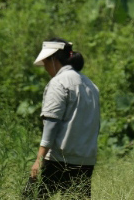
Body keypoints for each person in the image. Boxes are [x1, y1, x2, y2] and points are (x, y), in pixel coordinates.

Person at [24, 38, 100, 199]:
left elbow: (52, 123)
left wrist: (39, 159)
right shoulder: (91, 85)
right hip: (85, 160)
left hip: (59, 160)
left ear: (53, 59)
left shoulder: (59, 83)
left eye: (45, 63)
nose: (45, 68)